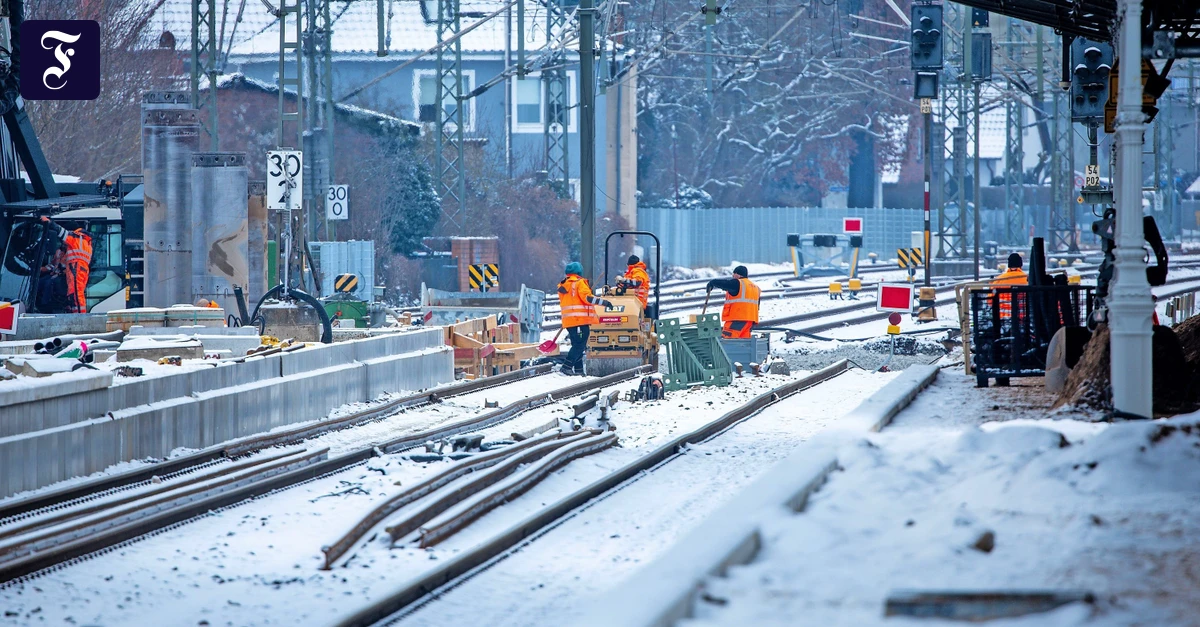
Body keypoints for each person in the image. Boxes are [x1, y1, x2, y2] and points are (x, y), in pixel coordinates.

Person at [557, 261, 612, 375]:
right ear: (579, 272)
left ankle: (578, 370)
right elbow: (588, 298)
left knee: (576, 345)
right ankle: (566, 366)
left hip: (569, 321)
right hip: (579, 321)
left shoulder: (564, 284)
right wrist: (605, 302)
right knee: (579, 345)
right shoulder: (579, 283)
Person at [40, 216, 92, 313]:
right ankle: (75, 313)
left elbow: (61, 231)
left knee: (76, 294)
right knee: (73, 293)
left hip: (76, 268)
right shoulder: (84, 241)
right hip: (78, 269)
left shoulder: (75, 237)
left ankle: (80, 317)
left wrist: (50, 222)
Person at [706, 265, 761, 339]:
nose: (732, 276)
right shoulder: (755, 288)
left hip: (737, 319)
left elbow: (726, 284)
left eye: (733, 274)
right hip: (750, 321)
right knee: (744, 343)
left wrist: (713, 282)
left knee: (728, 340)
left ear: (737, 274)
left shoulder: (738, 283)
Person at [991, 253, 1028, 319]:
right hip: (1023, 318)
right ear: (1021, 265)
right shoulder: (1027, 279)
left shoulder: (998, 280)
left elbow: (990, 300)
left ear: (1009, 265)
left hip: (1002, 319)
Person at [35, 244, 67, 312]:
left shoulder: (71, 254)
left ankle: (44, 304)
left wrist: (60, 273)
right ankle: (34, 301)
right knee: (39, 281)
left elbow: (70, 269)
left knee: (48, 283)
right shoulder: (58, 251)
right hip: (54, 273)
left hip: (63, 276)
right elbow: (52, 264)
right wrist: (41, 269)